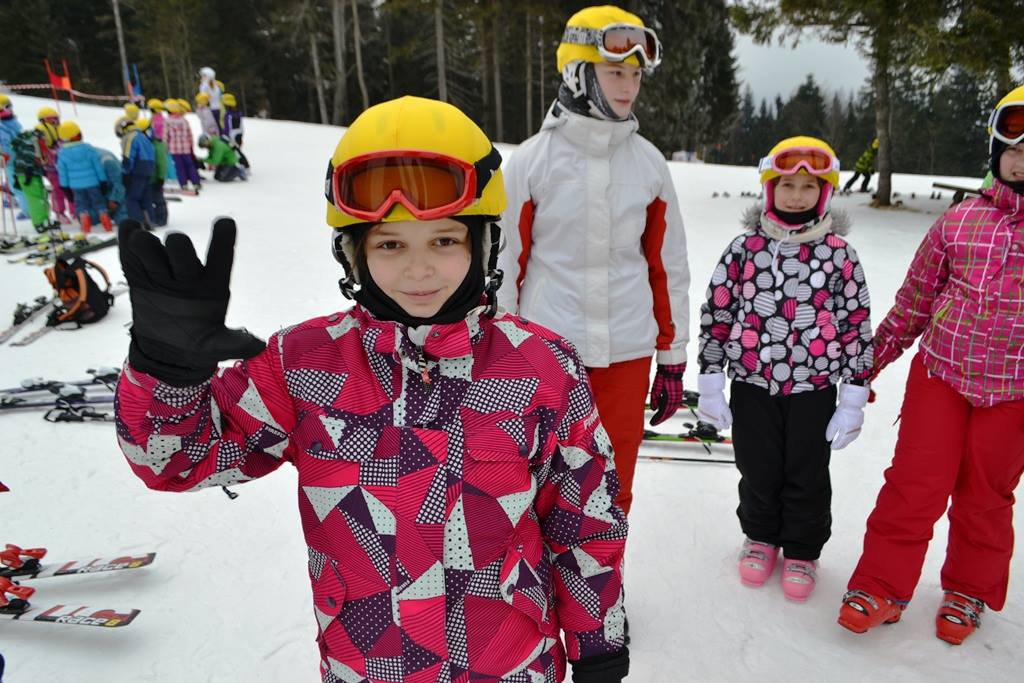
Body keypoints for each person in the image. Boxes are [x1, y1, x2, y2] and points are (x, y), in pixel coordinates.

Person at [114, 95, 629, 682]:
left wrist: (599, 649)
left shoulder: (541, 367)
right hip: (368, 667)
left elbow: (585, 522)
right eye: (390, 244)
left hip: (509, 666)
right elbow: (175, 462)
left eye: (444, 241)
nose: (418, 270)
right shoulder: (303, 365)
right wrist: (168, 373)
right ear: (353, 252)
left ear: (485, 245)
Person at [838, 85, 1024, 645]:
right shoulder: (960, 222)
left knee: (986, 497)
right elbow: (915, 300)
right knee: (914, 484)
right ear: (996, 153)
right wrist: (867, 364)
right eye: (1013, 149)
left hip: (1013, 392)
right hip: (941, 375)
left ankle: (968, 589)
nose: (1022, 161)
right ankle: (881, 585)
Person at [497, 5, 689, 516]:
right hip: (545, 352)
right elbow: (505, 262)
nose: (628, 86)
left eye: (634, 75)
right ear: (579, 74)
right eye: (614, 72)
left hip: (626, 352)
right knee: (538, 476)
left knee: (613, 476)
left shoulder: (648, 164)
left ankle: (599, 587)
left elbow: (666, 265)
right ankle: (537, 586)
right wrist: (499, 345)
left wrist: (671, 357)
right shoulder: (533, 159)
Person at [696, 136, 873, 602]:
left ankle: (801, 549)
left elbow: (857, 326)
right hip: (753, 384)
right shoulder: (744, 249)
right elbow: (717, 314)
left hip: (814, 389)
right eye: (787, 184)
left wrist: (854, 395)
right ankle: (759, 537)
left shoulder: (839, 255)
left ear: (826, 193)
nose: (797, 195)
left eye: (809, 187)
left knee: (807, 469)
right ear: (770, 189)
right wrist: (711, 381)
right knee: (757, 465)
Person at [55, 120, 113, 233]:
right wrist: (103, 181)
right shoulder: (88, 149)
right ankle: (106, 223)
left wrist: (65, 188)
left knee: (81, 205)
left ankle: (85, 225)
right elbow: (98, 167)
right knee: (99, 203)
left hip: (76, 186)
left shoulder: (62, 153)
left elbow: (62, 173)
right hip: (93, 183)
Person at [35, 106, 75, 224]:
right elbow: (43, 153)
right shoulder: (41, 134)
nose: (56, 123)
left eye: (56, 119)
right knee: (58, 189)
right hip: (52, 169)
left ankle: (75, 211)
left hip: (66, 168)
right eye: (52, 120)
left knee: (71, 188)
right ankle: (59, 212)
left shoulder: (61, 132)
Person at [10, 125, 52, 232]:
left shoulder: (26, 141)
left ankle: (45, 220)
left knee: (42, 196)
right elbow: (38, 160)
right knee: (35, 200)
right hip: (28, 175)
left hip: (30, 174)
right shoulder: (32, 144)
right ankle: (39, 223)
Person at [116, 117, 155, 224]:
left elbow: (128, 156)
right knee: (145, 197)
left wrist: (125, 173)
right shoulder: (143, 136)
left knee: (132, 198)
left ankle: (137, 223)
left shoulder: (130, 137)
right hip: (149, 168)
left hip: (137, 169)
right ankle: (150, 220)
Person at [0, 94, 29, 220]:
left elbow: (6, 145)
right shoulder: (11, 121)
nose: (8, 110)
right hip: (18, 157)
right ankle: (18, 201)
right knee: (17, 183)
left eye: (8, 107)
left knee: (17, 185)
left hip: (13, 159)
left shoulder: (7, 123)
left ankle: (26, 209)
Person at [163, 99, 202, 192]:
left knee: (179, 167)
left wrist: (166, 147)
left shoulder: (167, 121)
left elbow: (165, 136)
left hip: (174, 149)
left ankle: (183, 184)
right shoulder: (184, 120)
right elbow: (190, 135)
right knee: (190, 165)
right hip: (186, 148)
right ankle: (196, 182)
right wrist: (191, 146)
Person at [136, 118, 168, 227]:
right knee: (148, 199)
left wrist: (161, 178)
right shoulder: (142, 143)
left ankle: (162, 218)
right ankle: (151, 218)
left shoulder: (157, 145)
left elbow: (161, 163)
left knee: (158, 199)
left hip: (155, 178)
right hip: (146, 177)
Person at [96, 147, 127, 225]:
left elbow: (119, 182)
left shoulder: (108, 162)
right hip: (106, 189)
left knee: (122, 219)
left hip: (118, 190)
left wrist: (114, 200)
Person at [219, 92, 249, 169]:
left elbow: (227, 128)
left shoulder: (228, 115)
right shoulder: (238, 113)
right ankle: (243, 165)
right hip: (239, 135)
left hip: (232, 137)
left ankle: (245, 166)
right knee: (237, 151)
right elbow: (241, 126)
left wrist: (225, 136)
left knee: (236, 152)